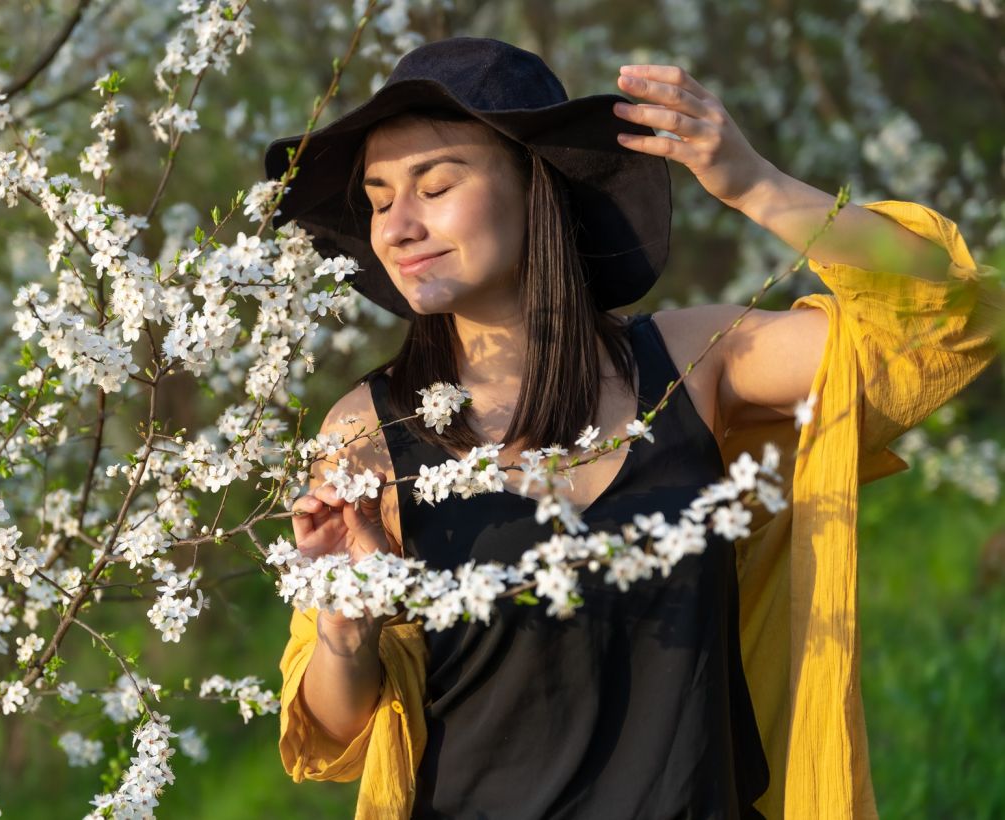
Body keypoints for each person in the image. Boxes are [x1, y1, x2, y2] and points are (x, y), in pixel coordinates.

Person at [264, 37, 1000, 819]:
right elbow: (331, 732)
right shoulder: (370, 434)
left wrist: (757, 185)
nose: (398, 227)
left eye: (435, 186)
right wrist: (346, 624)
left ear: (536, 185)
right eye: (379, 201)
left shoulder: (692, 363)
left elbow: (950, 320)